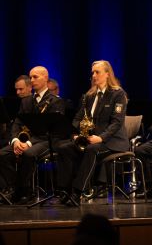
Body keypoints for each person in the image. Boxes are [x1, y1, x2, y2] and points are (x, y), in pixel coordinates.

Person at [55, 60, 129, 206]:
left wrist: (101, 138)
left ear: (107, 74)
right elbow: (77, 118)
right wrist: (75, 134)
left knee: (91, 150)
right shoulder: (89, 96)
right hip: (91, 139)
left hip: (112, 141)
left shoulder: (117, 94)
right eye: (92, 73)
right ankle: (65, 190)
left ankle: (77, 192)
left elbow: (117, 122)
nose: (94, 75)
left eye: (97, 72)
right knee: (64, 148)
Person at [0, 66, 65, 205]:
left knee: (28, 154)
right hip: (27, 141)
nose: (32, 80)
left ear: (45, 78)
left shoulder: (55, 101)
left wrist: (28, 144)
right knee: (2, 155)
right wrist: (16, 140)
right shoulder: (26, 101)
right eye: (30, 77)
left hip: (48, 141)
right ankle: (17, 187)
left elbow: (52, 131)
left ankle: (24, 191)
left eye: (35, 77)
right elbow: (17, 123)